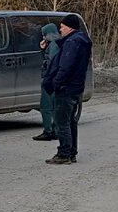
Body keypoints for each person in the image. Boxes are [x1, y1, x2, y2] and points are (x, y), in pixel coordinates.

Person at [40, 13, 92, 165]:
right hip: (76, 87)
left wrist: (56, 83)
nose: (60, 30)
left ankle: (64, 153)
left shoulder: (71, 43)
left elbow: (65, 67)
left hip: (66, 88)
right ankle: (71, 152)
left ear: (69, 28)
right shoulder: (81, 41)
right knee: (70, 122)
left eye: (62, 27)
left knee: (62, 122)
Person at [33, 22, 61, 141]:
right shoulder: (57, 43)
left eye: (44, 34)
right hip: (56, 80)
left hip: (49, 79)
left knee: (45, 106)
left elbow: (51, 63)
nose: (43, 37)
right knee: (55, 106)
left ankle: (48, 131)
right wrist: (43, 49)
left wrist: (47, 79)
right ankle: (55, 130)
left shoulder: (54, 45)